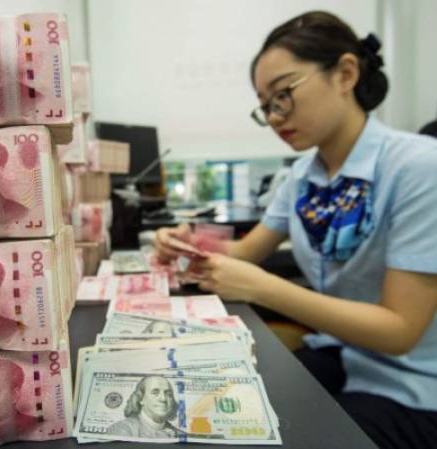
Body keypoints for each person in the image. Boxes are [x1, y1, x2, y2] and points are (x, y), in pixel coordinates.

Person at [155, 11, 437, 449]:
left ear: (345, 73)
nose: (273, 117)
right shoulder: (304, 176)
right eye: (265, 105)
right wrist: (185, 242)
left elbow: (399, 331)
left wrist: (264, 288)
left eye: (283, 94)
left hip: (415, 383)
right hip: (342, 353)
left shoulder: (420, 166)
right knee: (225, 412)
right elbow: (245, 252)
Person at [107, 376, 181, 438]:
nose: (163, 399)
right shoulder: (121, 429)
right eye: (155, 393)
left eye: (168, 394)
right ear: (141, 399)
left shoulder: (180, 435)